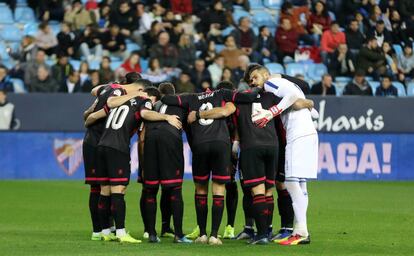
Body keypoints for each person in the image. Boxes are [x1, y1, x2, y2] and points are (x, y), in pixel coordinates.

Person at [161, 85, 261, 245]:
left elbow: (166, 98)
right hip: (221, 144)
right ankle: (214, 235)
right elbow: (247, 98)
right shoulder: (222, 93)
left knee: (200, 189)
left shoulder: (190, 97)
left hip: (199, 144)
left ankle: (202, 234)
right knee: (219, 189)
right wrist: (258, 88)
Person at [85, 79, 181, 244]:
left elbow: (93, 116)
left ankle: (104, 231)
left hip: (101, 146)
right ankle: (121, 233)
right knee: (118, 191)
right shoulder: (144, 101)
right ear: (150, 97)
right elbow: (145, 114)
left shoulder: (119, 102)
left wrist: (87, 121)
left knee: (104, 191)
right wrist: (166, 117)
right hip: (117, 148)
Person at [247, 64, 318, 246]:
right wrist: (308, 106)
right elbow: (310, 109)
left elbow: (293, 98)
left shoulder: (271, 83)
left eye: (255, 77)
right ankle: (300, 230)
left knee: (291, 182)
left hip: (298, 134)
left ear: (265, 74)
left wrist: (270, 113)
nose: (253, 82)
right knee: (300, 184)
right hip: (308, 132)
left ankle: (301, 231)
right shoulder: (286, 85)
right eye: (250, 80)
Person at [141, 83, 192, 244]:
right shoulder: (182, 103)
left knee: (150, 189)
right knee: (174, 190)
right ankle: (178, 234)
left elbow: (142, 129)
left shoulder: (154, 105)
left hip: (150, 140)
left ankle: (151, 234)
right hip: (170, 139)